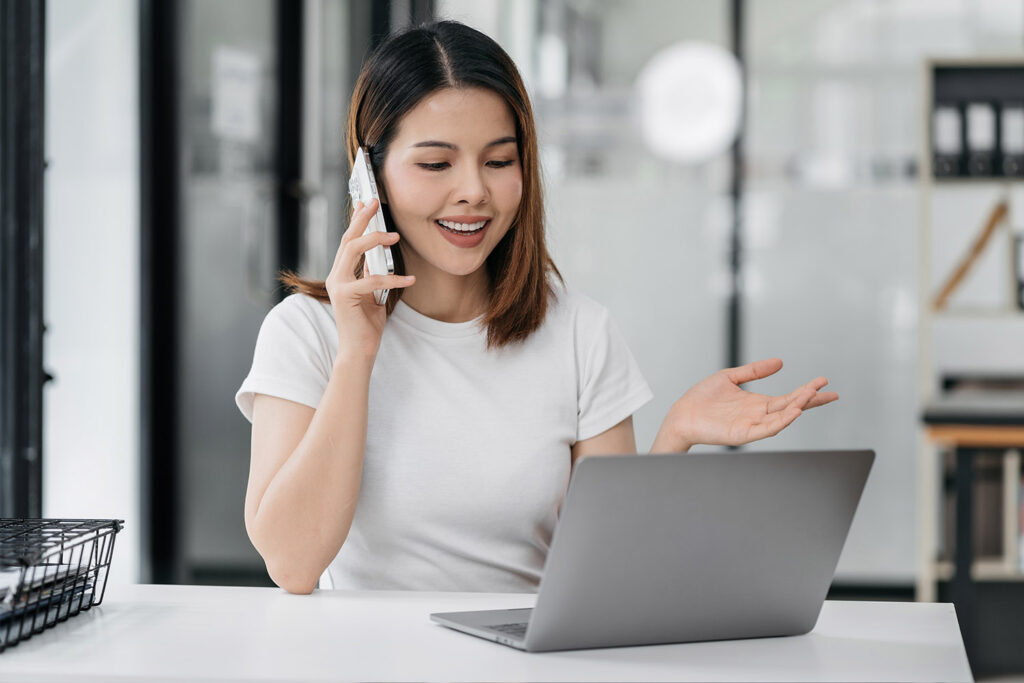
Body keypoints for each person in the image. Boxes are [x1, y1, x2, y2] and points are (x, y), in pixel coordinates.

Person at [235, 20, 838, 596]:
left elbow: (611, 577)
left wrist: (674, 436)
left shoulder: (579, 332)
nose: (473, 190)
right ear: (369, 177)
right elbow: (293, 563)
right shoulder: (305, 333)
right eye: (436, 163)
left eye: (499, 160)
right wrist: (357, 355)